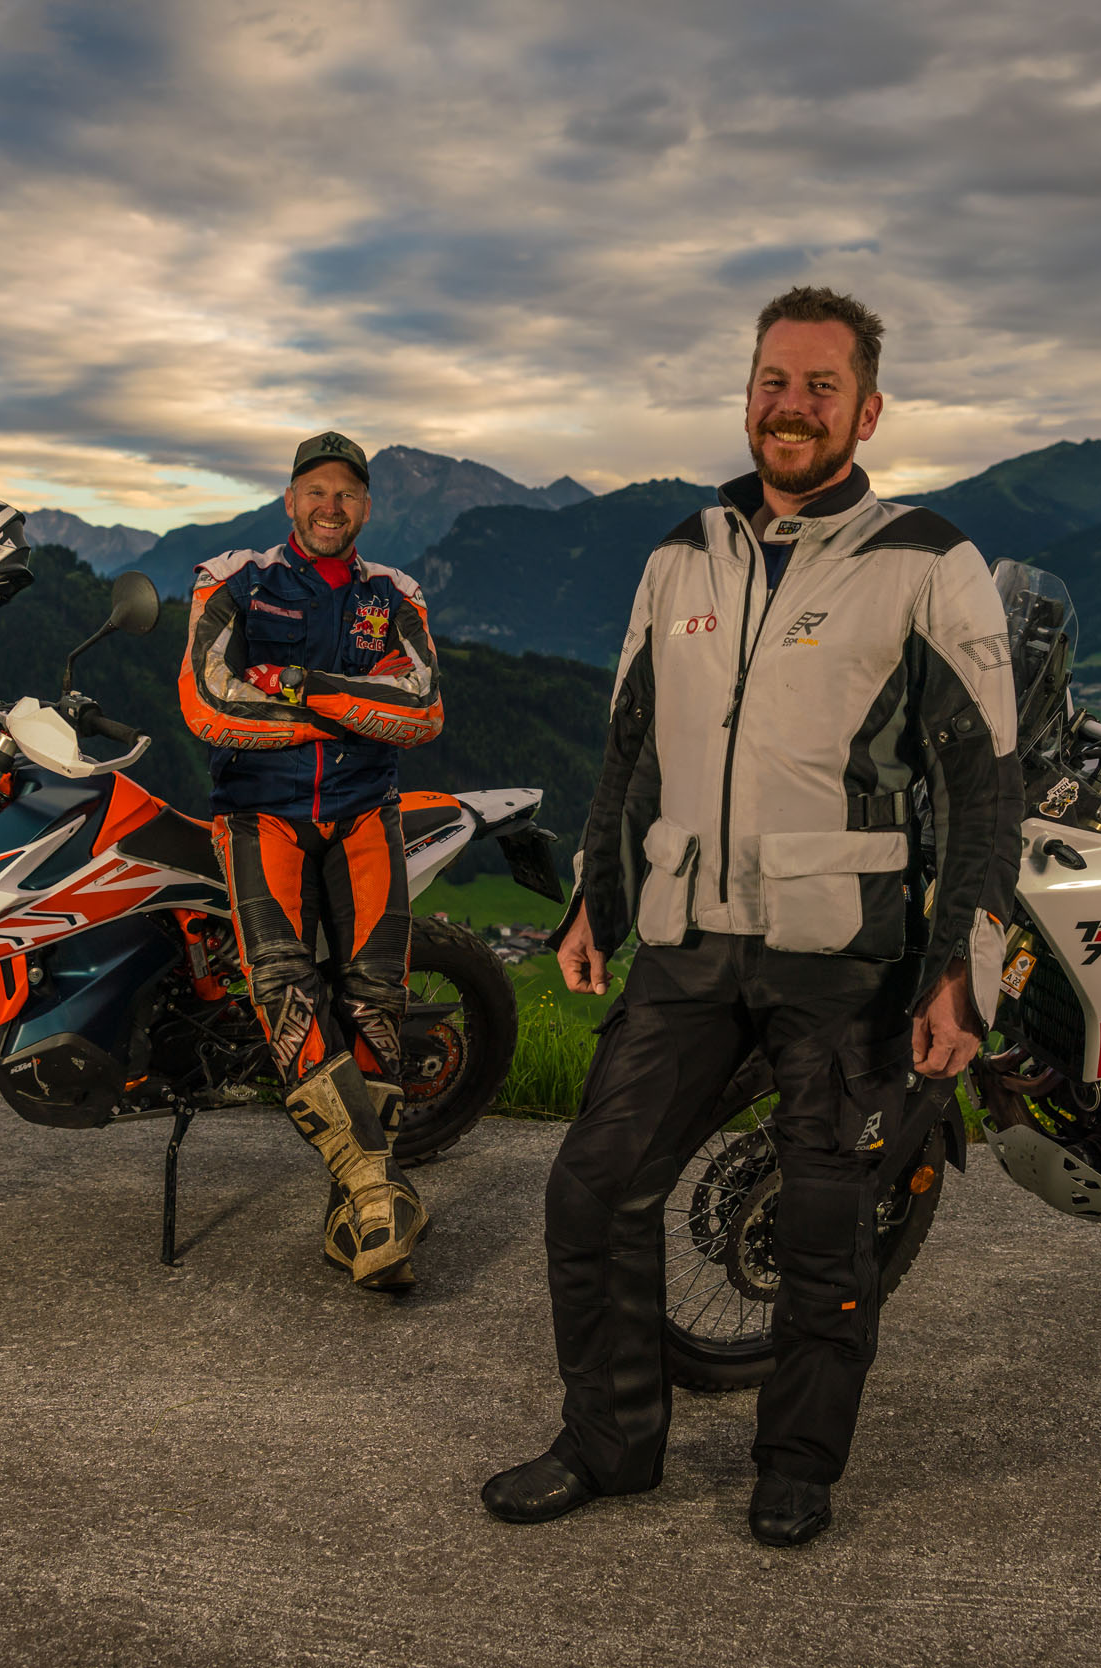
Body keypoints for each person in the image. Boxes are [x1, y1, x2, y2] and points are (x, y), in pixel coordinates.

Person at [480, 287, 1020, 1546]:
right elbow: (633, 748)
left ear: (866, 411)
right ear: (747, 394)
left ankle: (798, 1465)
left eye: (821, 386)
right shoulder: (681, 554)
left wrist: (963, 969)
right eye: (774, 381)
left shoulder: (928, 562)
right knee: (593, 1187)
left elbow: (984, 786)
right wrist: (598, 899)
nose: (792, 406)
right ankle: (610, 1445)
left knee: (826, 1225)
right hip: (687, 940)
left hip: (843, 954)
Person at [177, 431, 445, 1290]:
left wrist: (298, 686)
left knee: (375, 1000)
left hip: (366, 814)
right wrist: (355, 710)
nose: (331, 507)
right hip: (261, 816)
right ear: (289, 500)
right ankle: (375, 1194)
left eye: (347, 493)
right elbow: (209, 701)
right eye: (316, 491)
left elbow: (424, 707)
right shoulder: (233, 579)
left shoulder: (395, 594)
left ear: (367, 506)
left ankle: (356, 1216)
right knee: (286, 991)